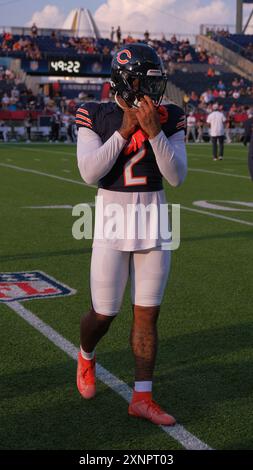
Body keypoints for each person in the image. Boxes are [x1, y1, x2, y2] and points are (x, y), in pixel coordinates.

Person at [75, 43, 187, 426]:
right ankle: (86, 355)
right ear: (123, 80)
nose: (150, 90)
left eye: (154, 82)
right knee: (104, 313)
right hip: (110, 222)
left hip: (154, 222)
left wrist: (155, 134)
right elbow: (90, 172)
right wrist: (124, 132)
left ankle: (142, 397)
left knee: (147, 316)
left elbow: (176, 176)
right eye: (142, 80)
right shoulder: (95, 113)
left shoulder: (169, 116)